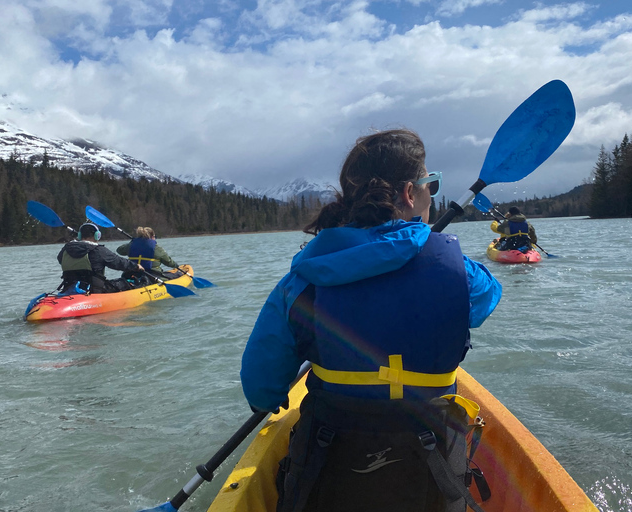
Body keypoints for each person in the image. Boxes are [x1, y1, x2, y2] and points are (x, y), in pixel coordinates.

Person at [240, 129, 502, 512]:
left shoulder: (302, 280)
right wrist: (425, 244)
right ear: (411, 194)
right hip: (428, 478)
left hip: (331, 469)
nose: (432, 193)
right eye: (431, 184)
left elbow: (261, 390)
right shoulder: (459, 275)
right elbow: (486, 299)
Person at [57, 222, 144, 294]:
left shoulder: (65, 249)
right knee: (124, 283)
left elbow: (60, 259)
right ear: (97, 235)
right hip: (95, 290)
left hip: (69, 288)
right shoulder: (98, 250)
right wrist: (136, 266)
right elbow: (118, 262)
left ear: (80, 235)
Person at [116, 227, 180, 280]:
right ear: (152, 237)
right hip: (152, 275)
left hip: (131, 274)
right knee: (177, 275)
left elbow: (119, 250)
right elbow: (168, 262)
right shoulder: (156, 248)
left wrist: (132, 242)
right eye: (155, 237)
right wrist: (176, 266)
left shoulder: (131, 245)